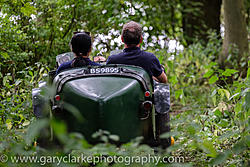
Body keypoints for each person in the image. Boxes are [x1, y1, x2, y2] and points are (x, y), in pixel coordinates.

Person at [107, 21, 171, 148]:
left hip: (118, 105)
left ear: (121, 39)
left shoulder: (113, 60)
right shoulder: (149, 58)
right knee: (162, 93)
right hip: (142, 107)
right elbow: (164, 80)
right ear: (141, 39)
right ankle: (163, 142)